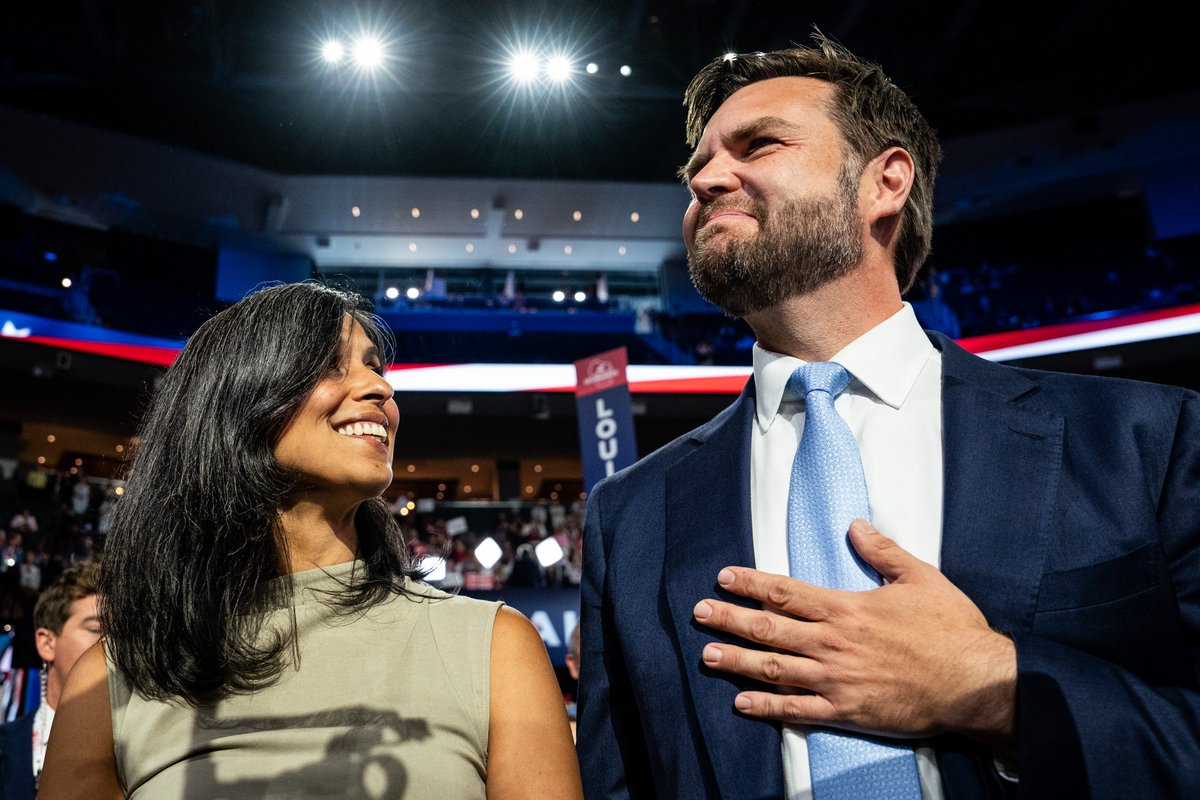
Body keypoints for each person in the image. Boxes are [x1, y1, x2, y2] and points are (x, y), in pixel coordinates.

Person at [577, 34, 1200, 799]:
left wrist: (998, 688)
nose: (705, 178)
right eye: (696, 166)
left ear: (886, 181)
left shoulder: (1151, 440)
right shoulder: (628, 516)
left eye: (758, 144)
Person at [40, 283, 581, 799]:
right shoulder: (109, 680)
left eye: (374, 365)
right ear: (238, 401)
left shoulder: (494, 648)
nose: (381, 388)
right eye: (328, 365)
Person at [0, 562, 101, 800]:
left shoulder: (143, 755)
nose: (112, 646)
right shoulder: (5, 748)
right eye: (96, 629)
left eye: (120, 634)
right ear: (47, 643)